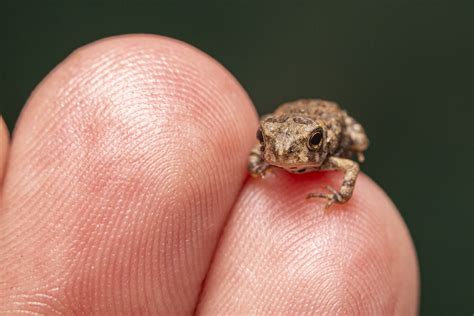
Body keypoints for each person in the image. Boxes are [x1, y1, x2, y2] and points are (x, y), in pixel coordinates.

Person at [0, 35, 418, 315]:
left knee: (357, 139)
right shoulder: (273, 148)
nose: (285, 155)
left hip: (325, 118)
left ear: (318, 142)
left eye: (303, 146)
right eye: (268, 141)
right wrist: (261, 162)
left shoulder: (329, 155)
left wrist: (337, 196)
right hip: (290, 119)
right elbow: (260, 156)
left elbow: (349, 169)